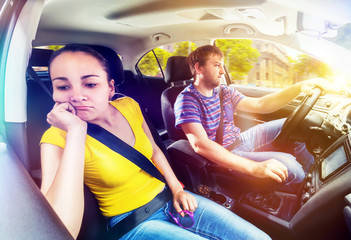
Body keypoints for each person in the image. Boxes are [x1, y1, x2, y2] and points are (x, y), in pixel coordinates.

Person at [39, 44, 271, 240]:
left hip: (169, 198)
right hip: (133, 222)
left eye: (90, 84)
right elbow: (57, 228)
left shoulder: (129, 106)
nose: (77, 96)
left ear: (110, 88)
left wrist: (177, 189)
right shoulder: (55, 138)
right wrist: (76, 132)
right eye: (62, 86)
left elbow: (155, 153)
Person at [174, 45, 330, 189]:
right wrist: (255, 167)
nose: (222, 71)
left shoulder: (224, 92)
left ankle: (311, 178)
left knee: (300, 124)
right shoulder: (187, 100)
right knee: (291, 166)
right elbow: (200, 145)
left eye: (222, 65)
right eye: (216, 65)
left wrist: (299, 87)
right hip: (225, 153)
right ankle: (304, 188)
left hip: (242, 139)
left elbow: (261, 104)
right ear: (199, 68)